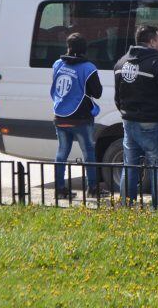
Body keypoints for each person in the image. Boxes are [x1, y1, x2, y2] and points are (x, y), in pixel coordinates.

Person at [114, 25, 158, 208]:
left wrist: (126, 113)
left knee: (130, 166)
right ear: (151, 42)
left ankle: (126, 205)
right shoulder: (157, 64)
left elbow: (118, 97)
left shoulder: (121, 63)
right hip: (155, 123)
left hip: (129, 122)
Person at [50, 33, 105, 199]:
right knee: (88, 152)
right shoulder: (88, 68)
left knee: (61, 152)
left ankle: (59, 189)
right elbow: (98, 92)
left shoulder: (58, 64)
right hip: (80, 118)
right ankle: (93, 188)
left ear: (68, 47)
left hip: (60, 115)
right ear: (84, 49)